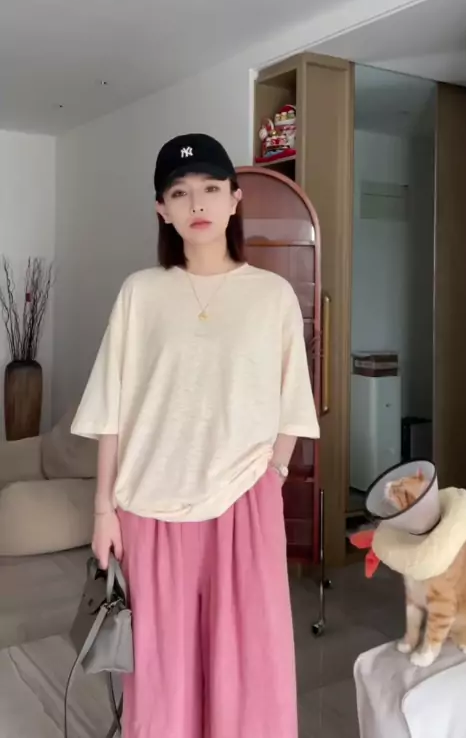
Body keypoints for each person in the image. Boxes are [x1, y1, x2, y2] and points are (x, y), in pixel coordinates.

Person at [71, 133, 320, 738]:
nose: (197, 203)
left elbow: (293, 405)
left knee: (248, 668)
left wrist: (272, 476)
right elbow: (112, 412)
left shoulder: (271, 296)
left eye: (211, 188)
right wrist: (103, 510)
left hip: (243, 503)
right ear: (163, 209)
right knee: (162, 676)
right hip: (150, 508)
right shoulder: (140, 293)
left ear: (235, 199)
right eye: (180, 193)